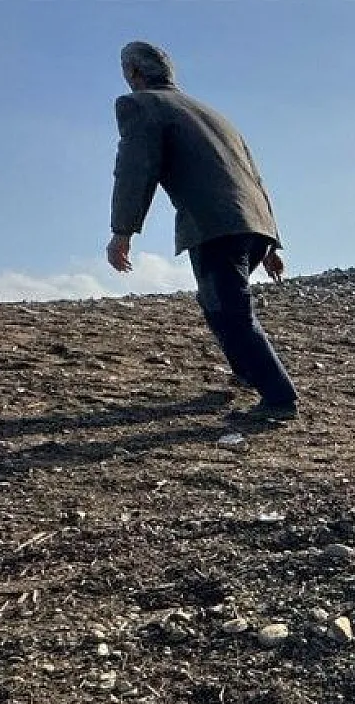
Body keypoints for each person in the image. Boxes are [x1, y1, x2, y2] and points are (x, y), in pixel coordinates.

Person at [106, 41, 298, 422]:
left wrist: (122, 232)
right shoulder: (215, 115)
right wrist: (272, 241)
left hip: (216, 224)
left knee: (230, 310)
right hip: (252, 222)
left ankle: (279, 398)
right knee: (216, 305)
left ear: (133, 73)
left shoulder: (140, 106)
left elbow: (135, 169)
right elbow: (253, 178)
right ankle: (248, 373)